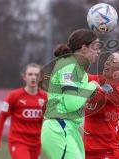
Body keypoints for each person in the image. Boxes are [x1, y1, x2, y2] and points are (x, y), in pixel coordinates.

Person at [40, 29, 105, 159]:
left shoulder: (81, 72)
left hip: (70, 129)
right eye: (96, 47)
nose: (99, 51)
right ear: (84, 48)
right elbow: (71, 104)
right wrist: (91, 86)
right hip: (59, 128)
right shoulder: (69, 66)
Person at [84, 50, 119, 159]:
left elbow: (97, 97)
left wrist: (90, 85)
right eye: (108, 59)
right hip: (86, 151)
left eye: (113, 61)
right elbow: (79, 75)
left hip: (106, 153)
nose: (108, 62)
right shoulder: (97, 80)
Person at [0, 63, 47, 159]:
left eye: (36, 75)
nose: (33, 77)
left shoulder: (45, 97)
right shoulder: (14, 96)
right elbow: (2, 118)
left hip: (36, 144)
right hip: (18, 142)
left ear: (41, 78)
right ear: (24, 77)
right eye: (30, 74)